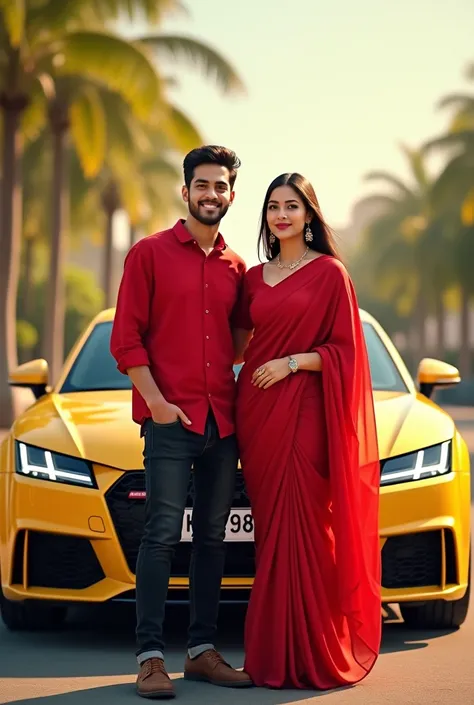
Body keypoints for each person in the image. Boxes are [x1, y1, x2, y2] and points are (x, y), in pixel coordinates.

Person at [110, 145, 253, 699]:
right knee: (163, 535)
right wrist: (159, 404)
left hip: (224, 420)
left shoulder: (237, 267)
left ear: (231, 195)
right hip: (170, 422)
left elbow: (241, 342)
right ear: (186, 190)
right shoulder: (147, 254)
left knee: (213, 539)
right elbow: (127, 340)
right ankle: (150, 659)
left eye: (221, 187)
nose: (211, 195)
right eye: (202, 185)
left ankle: (201, 652)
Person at [233, 173, 381, 690]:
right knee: (272, 531)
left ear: (310, 214)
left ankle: (316, 649)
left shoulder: (330, 274)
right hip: (258, 414)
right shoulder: (252, 278)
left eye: (292, 206)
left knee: (312, 528)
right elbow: (233, 348)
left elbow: (347, 351)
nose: (281, 215)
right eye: (273, 206)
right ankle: (272, 652)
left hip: (306, 411)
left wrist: (294, 363)